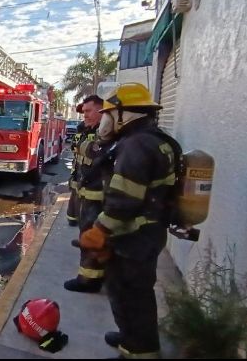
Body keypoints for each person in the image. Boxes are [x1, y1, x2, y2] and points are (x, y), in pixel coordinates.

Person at [78, 83, 177, 359]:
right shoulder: (154, 139)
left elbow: (125, 199)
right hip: (144, 233)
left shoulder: (136, 145)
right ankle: (129, 337)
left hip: (135, 237)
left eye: (109, 114)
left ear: (124, 114)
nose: (105, 120)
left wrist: (100, 230)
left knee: (132, 295)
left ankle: (138, 351)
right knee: (128, 291)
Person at [64, 94, 108, 293]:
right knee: (87, 234)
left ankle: (89, 281)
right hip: (87, 193)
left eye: (89, 111)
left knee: (91, 238)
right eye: (84, 112)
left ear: (101, 110)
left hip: (97, 196)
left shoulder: (105, 133)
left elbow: (94, 153)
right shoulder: (89, 130)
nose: (85, 116)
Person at [66, 120, 86, 226]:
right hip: (80, 168)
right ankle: (76, 217)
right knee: (78, 195)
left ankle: (71, 217)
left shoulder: (77, 136)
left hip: (75, 167)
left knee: (73, 194)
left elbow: (72, 147)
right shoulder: (84, 137)